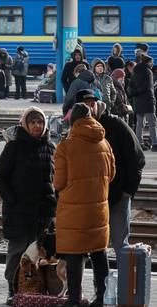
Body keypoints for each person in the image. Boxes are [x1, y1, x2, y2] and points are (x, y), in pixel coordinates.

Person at [54, 103, 115, 307]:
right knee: (99, 252)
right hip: (99, 210)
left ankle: (74, 299)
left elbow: (58, 182)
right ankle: (102, 297)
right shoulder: (104, 143)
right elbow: (111, 175)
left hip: (74, 211)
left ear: (73, 122)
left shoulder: (66, 146)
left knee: (74, 254)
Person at [0, 106, 56, 305]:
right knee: (17, 251)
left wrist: (54, 202)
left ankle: (35, 290)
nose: (37, 126)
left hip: (44, 211)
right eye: (33, 122)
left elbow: (56, 179)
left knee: (40, 252)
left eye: (40, 122)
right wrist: (12, 200)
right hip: (19, 211)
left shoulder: (50, 147)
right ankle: (12, 289)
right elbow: (0, 178)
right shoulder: (14, 146)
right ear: (25, 124)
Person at [79, 89, 145, 261]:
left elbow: (137, 158)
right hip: (92, 200)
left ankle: (124, 286)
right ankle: (101, 286)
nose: (89, 107)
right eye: (85, 104)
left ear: (98, 104)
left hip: (117, 196)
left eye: (92, 103)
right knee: (95, 247)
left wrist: (128, 191)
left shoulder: (115, 124)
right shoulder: (77, 129)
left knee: (120, 245)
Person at [130, 54, 157, 151]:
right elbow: (148, 87)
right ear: (147, 62)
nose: (152, 64)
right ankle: (155, 144)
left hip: (137, 101)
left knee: (140, 124)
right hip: (148, 101)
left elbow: (130, 86)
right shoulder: (148, 72)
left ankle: (139, 144)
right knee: (152, 123)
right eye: (151, 62)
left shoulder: (135, 71)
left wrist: (135, 93)